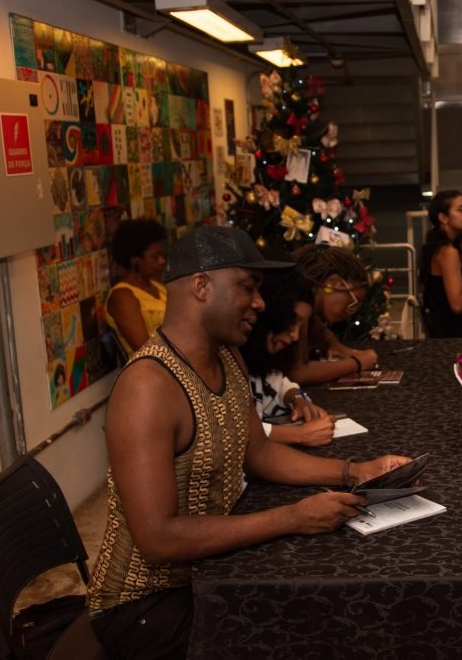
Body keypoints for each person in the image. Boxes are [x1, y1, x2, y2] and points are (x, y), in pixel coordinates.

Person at [87, 225, 408, 658]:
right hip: (143, 607)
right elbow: (158, 539)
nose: (259, 303)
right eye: (247, 287)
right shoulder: (147, 387)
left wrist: (356, 471)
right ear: (201, 286)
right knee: (312, 627)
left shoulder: (227, 356)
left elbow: (258, 453)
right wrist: (292, 518)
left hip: (208, 574)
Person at [240, 269, 335, 446]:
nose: (295, 336)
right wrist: (300, 434)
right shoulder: (231, 357)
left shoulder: (256, 356)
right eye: (293, 321)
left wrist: (297, 399)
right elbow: (235, 432)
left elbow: (278, 383)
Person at [287, 244, 379, 385]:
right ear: (333, 283)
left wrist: (335, 346)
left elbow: (321, 332)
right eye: (353, 302)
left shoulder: (309, 303)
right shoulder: (298, 305)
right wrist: (358, 363)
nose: (350, 312)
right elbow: (298, 373)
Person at [420, 190, 462, 338]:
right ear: (443, 217)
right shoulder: (448, 251)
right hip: (453, 332)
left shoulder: (449, 244)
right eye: (461, 210)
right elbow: (458, 304)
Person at [104, 217, 168, 355]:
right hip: (153, 370)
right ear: (135, 260)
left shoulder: (158, 287)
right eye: (155, 256)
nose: (162, 261)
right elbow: (145, 349)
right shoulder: (122, 296)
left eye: (161, 255)